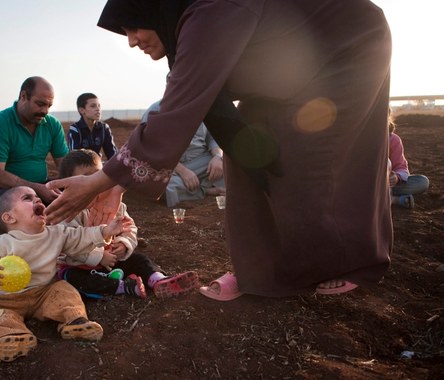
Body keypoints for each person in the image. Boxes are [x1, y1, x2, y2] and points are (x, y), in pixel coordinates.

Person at [45, 0, 393, 299]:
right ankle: (266, 272)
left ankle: (352, 260)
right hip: (291, 69)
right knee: (248, 152)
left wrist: (97, 183)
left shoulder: (208, 11)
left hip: (347, 48)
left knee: (312, 153)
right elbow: (198, 103)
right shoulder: (190, 28)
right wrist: (113, 182)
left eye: (134, 27)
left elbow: (175, 110)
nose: (133, 41)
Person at [0, 186, 131, 362]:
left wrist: (106, 231)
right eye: (27, 198)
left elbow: (80, 236)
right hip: (5, 298)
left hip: (43, 293)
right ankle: (12, 335)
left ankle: (74, 321)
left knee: (64, 289)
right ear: (9, 217)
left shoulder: (56, 233)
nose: (37, 200)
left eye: (37, 197)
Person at [56, 149, 199, 299]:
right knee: (73, 277)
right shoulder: (68, 212)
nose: (95, 184)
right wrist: (99, 256)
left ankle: (158, 280)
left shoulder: (114, 203)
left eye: (98, 176)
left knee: (139, 260)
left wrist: (123, 244)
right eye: (86, 178)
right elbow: (69, 244)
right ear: (69, 185)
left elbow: (129, 227)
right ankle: (123, 287)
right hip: (81, 266)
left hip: (112, 263)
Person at [0, 76, 69, 213]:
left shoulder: (52, 124)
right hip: (3, 190)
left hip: (42, 185)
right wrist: (37, 189)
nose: (45, 111)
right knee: (17, 206)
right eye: (40, 104)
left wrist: (75, 185)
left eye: (49, 106)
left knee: (80, 190)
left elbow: (65, 165)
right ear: (23, 96)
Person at [142, 99, 225, 207]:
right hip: (169, 166)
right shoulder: (155, 110)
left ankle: (192, 189)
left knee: (229, 165)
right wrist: (183, 171)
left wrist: (218, 157)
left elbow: (212, 137)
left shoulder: (204, 107)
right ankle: (206, 191)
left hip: (201, 162)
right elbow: (149, 147)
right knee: (160, 187)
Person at [388, 117, 430, 209]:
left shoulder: (393, 139)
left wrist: (396, 178)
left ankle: (385, 197)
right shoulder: (360, 137)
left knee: (422, 182)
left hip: (387, 185)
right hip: (366, 184)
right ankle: (394, 199)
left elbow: (401, 167)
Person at [67, 93, 118, 160]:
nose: (98, 109)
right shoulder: (75, 129)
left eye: (99, 106)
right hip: (80, 167)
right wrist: (95, 159)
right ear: (82, 110)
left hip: (96, 165)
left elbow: (112, 154)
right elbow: (74, 158)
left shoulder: (104, 128)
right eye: (93, 106)